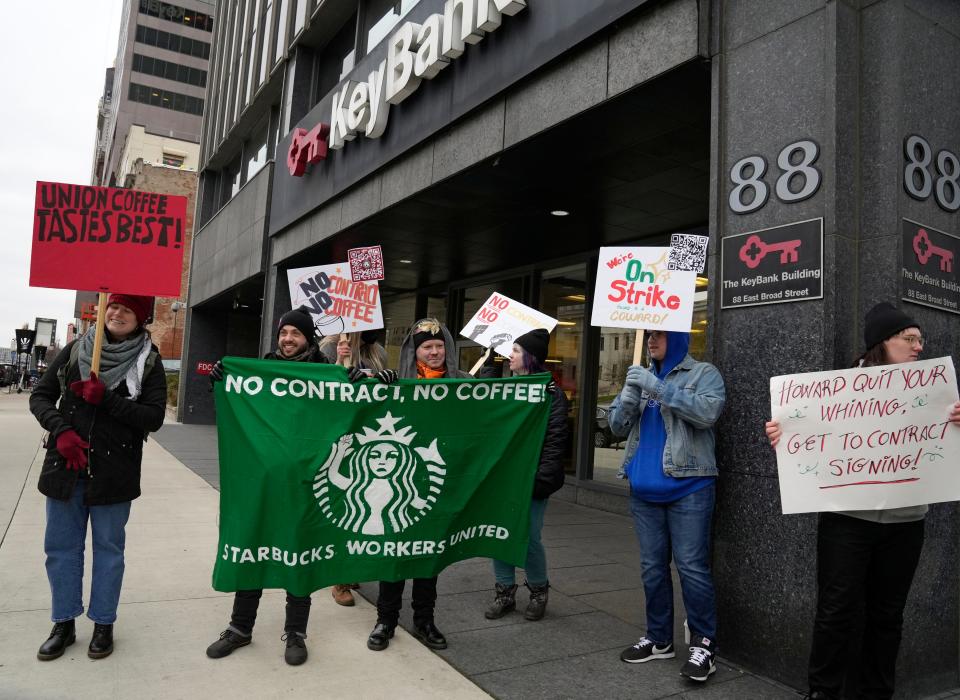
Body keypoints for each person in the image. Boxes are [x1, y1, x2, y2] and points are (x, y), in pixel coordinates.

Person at [765, 303, 960, 700]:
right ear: (881, 343)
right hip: (847, 520)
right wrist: (782, 435)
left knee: (887, 615)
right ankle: (823, 691)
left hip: (906, 521)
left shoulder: (934, 394)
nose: (918, 346)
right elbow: (807, 441)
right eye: (909, 338)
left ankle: (876, 692)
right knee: (836, 611)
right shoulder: (837, 393)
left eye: (921, 339)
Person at [206, 305, 346, 665]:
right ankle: (240, 628)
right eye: (283, 333)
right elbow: (235, 405)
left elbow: (352, 406)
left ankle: (296, 632)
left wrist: (375, 382)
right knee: (251, 547)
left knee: (300, 552)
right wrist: (221, 378)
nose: (287, 339)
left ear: (308, 338)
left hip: (306, 483)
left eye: (295, 333)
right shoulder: (261, 372)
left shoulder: (327, 375)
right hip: (261, 482)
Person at [30, 293, 166, 661]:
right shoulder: (77, 349)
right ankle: (64, 622)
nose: (118, 313)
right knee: (60, 549)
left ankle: (103, 623)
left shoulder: (149, 362)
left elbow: (152, 418)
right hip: (66, 467)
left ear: (140, 319)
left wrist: (106, 398)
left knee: (109, 551)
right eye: (114, 306)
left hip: (114, 473)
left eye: (127, 309)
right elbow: (40, 397)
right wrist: (61, 431)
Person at [609, 330, 725, 682]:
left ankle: (704, 645)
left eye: (658, 335)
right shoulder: (638, 374)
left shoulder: (704, 374)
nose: (651, 341)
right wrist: (630, 396)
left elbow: (708, 414)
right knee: (652, 569)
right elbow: (615, 427)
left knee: (691, 567)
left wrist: (657, 388)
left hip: (689, 486)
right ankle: (659, 639)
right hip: (644, 492)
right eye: (649, 336)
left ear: (675, 338)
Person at [366, 318, 469, 652]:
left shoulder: (464, 384)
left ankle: (424, 620)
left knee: (429, 554)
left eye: (440, 346)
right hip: (400, 483)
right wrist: (370, 382)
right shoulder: (396, 383)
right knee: (394, 552)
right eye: (428, 346)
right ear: (416, 350)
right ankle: (386, 620)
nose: (435, 351)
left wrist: (540, 390)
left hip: (439, 483)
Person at [481, 329, 568, 622]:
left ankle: (539, 591)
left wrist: (542, 479)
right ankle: (504, 592)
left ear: (529, 357)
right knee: (498, 532)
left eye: (516, 351)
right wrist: (490, 365)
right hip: (503, 476)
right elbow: (482, 404)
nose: (510, 355)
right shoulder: (508, 387)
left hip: (532, 479)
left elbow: (555, 440)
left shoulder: (551, 395)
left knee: (529, 536)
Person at [319, 330, 392, 605]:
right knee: (344, 506)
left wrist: (385, 378)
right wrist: (340, 362)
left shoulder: (378, 352)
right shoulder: (329, 346)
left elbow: (384, 391)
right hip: (340, 434)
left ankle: (352, 567)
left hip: (369, 434)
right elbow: (319, 389)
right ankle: (340, 578)